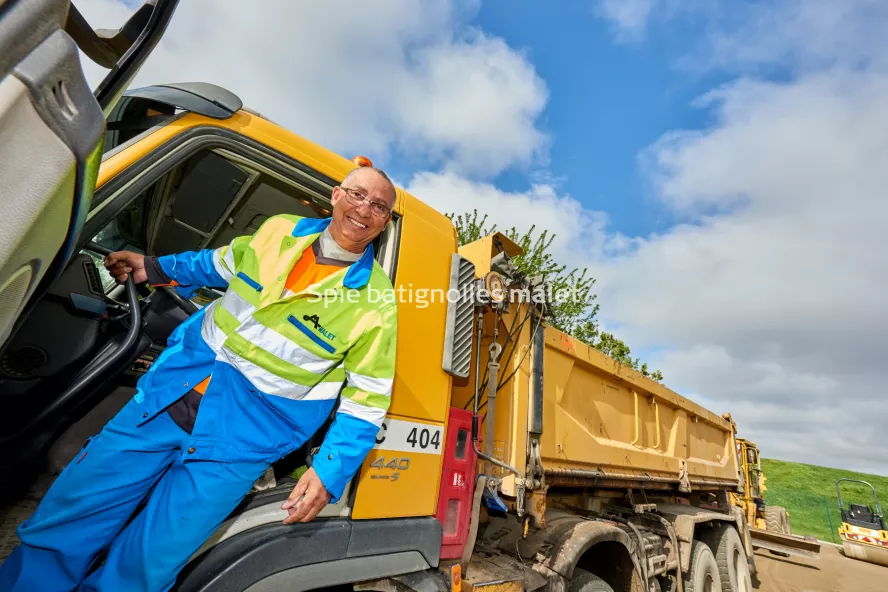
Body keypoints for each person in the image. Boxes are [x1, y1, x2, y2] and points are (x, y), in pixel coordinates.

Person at [0, 166, 399, 592]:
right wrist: (152, 268)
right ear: (337, 195)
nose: (365, 210)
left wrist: (328, 472)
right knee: (69, 519)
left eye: (379, 206)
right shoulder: (279, 231)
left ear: (383, 221)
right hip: (164, 401)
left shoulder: (376, 305)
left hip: (236, 445)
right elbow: (217, 264)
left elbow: (367, 401)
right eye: (357, 195)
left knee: (145, 566)